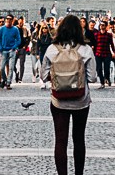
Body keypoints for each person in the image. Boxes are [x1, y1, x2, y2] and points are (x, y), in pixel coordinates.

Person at [41, 15, 98, 175]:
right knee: (79, 139)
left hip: (59, 101)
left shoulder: (52, 49)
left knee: (60, 141)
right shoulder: (86, 50)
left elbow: (43, 76)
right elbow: (93, 77)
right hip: (81, 100)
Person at [0, 14, 21, 89]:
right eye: (7, 19)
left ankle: (8, 83)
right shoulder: (2, 29)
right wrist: (0, 47)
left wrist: (14, 47)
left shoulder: (15, 29)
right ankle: (5, 80)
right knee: (1, 68)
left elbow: (18, 40)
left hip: (12, 51)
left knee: (10, 68)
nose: (8, 20)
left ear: (13, 20)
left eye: (10, 19)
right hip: (3, 50)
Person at [93, 20, 115, 88]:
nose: (101, 26)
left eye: (103, 25)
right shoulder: (96, 34)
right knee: (99, 69)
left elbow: (111, 44)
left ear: (105, 26)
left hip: (106, 53)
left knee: (107, 69)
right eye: (101, 25)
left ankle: (107, 78)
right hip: (98, 53)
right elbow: (94, 44)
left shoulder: (109, 35)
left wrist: (114, 52)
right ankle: (102, 82)